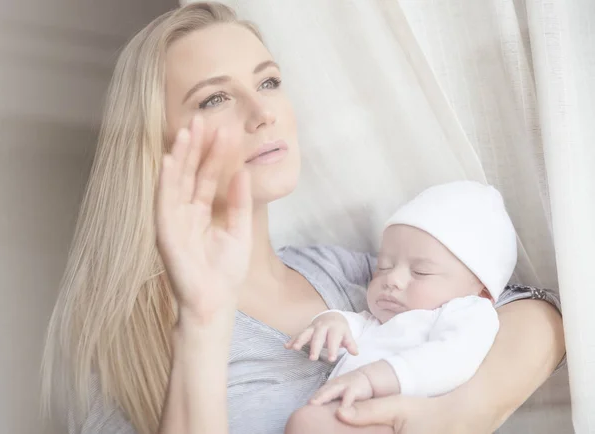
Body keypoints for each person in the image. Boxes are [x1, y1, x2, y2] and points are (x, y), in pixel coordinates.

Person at [40, 3, 566, 434]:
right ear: (157, 146)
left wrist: (456, 416)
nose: (262, 111)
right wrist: (204, 323)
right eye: (215, 98)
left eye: (268, 82)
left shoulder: (349, 274)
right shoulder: (134, 347)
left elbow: (536, 314)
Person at [284, 181, 517, 434]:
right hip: (355, 416)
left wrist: (372, 379)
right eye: (383, 266)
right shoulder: (378, 324)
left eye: (420, 271)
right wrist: (332, 322)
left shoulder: (468, 311)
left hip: (409, 419)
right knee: (307, 422)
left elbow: (454, 357)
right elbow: (355, 330)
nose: (392, 280)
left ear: (481, 290)